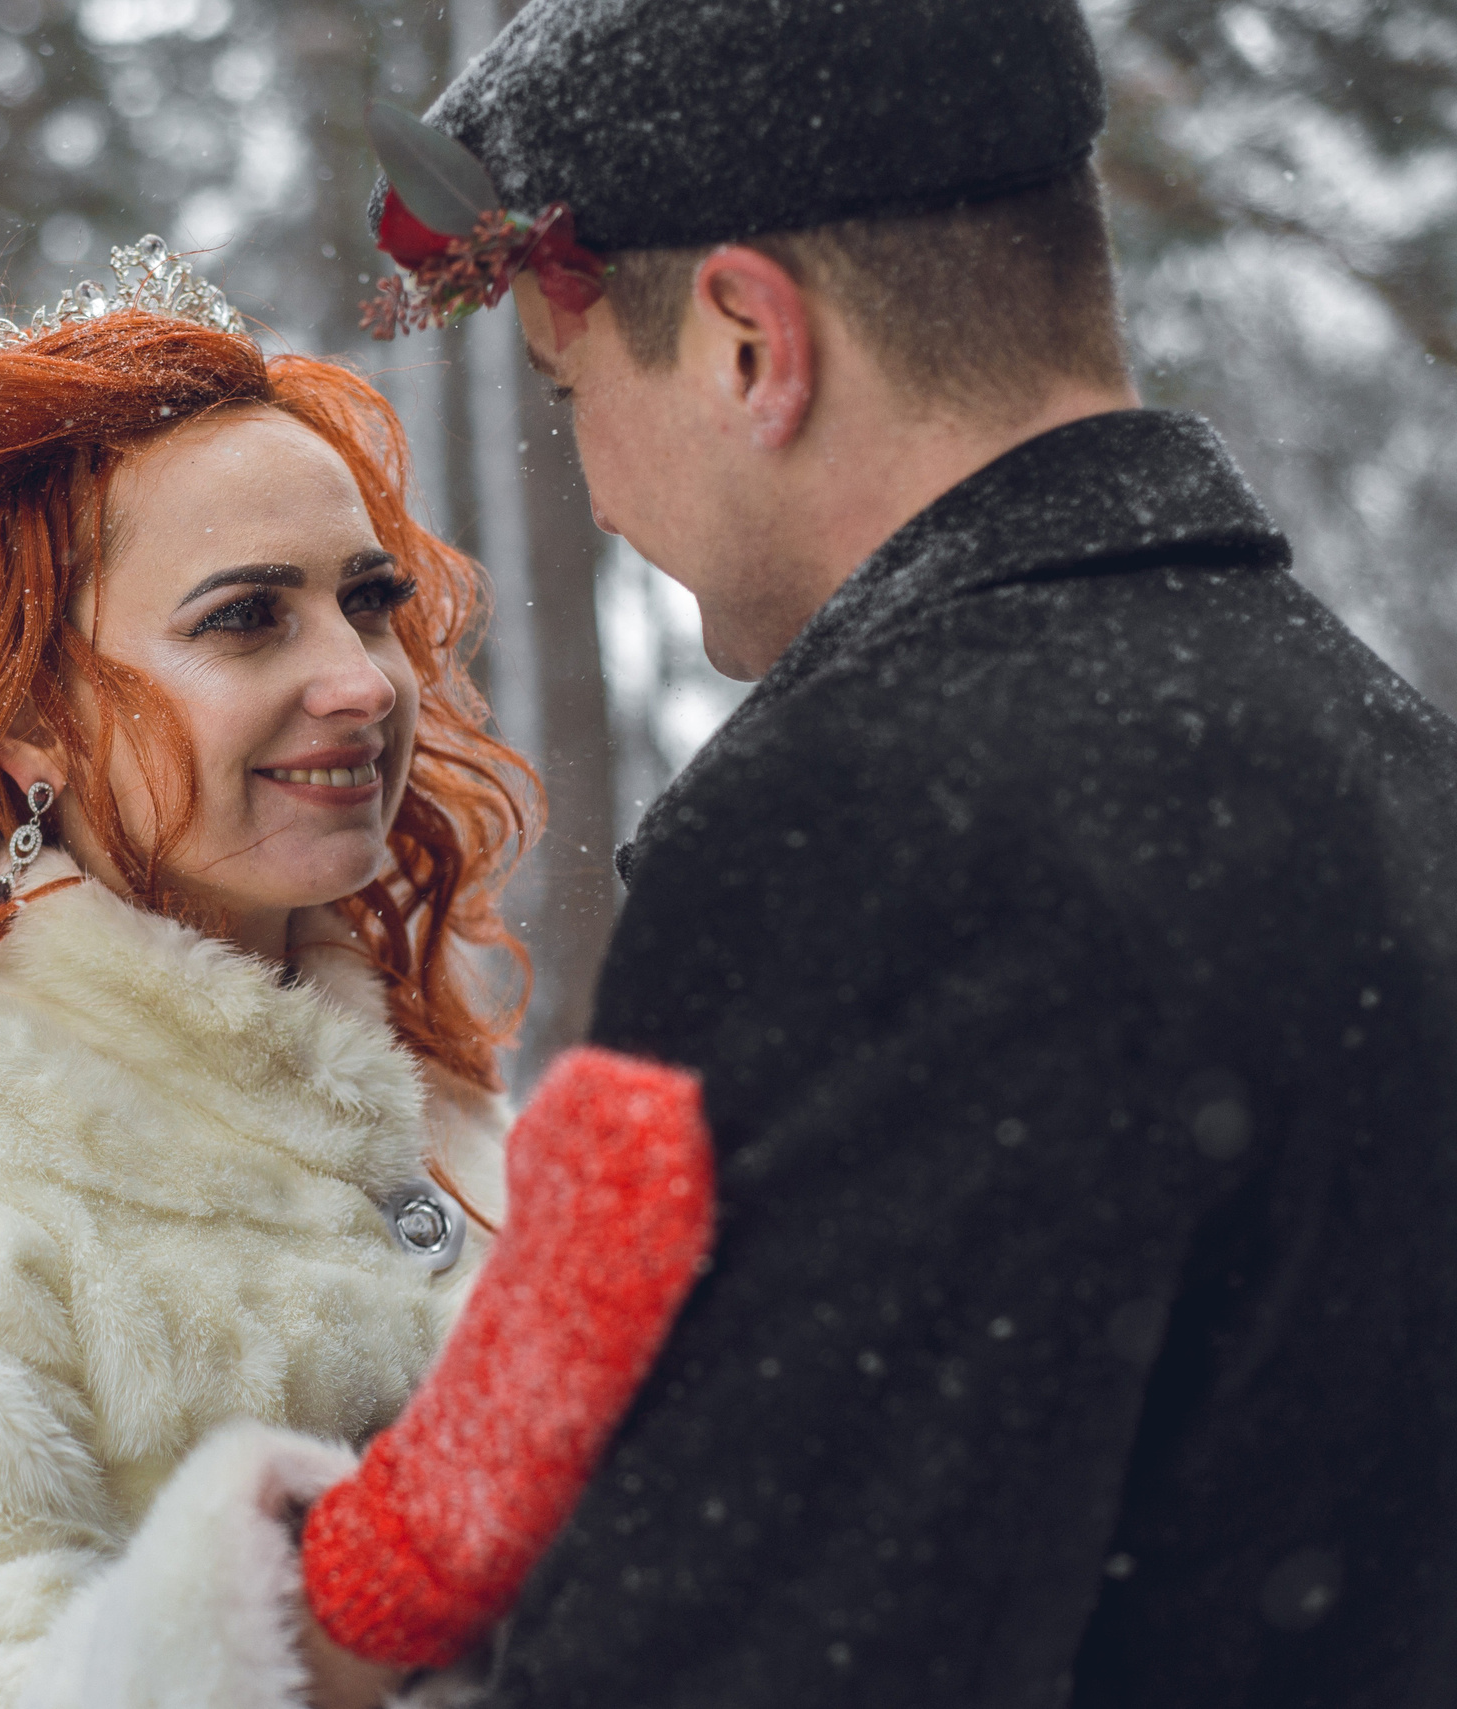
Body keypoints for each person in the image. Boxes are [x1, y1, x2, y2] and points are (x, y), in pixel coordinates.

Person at [360, 1, 1457, 1704]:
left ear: (748, 343)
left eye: (573, 394)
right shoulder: (1387, 748)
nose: (599, 490)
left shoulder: (876, 832)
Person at [0, 247, 544, 1709]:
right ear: (27, 724)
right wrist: (325, 1613)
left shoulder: (428, 1095)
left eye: (369, 600)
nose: (364, 681)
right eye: (246, 616)